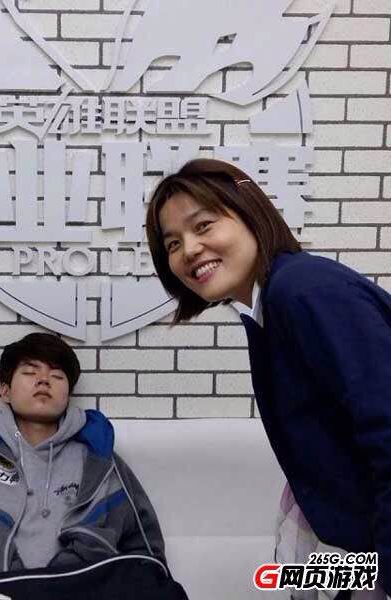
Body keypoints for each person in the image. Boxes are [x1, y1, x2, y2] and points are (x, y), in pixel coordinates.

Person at [145, 158, 391, 598]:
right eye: (173, 243)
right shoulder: (266, 307)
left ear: (250, 212)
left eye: (204, 226)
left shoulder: (303, 290)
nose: (190, 250)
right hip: (350, 547)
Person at [0, 332, 176, 600]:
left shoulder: (102, 463)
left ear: (68, 394)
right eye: (30, 372)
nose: (44, 379)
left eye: (57, 375)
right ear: (5, 391)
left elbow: (147, 557)